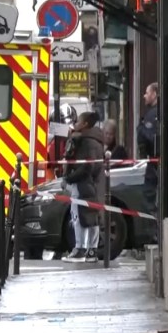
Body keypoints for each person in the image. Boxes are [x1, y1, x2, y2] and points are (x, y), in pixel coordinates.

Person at [62, 111, 105, 263]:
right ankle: (90, 251)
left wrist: (69, 178)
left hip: (84, 185)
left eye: (79, 121)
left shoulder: (87, 142)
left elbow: (87, 166)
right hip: (92, 184)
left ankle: (81, 249)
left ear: (85, 124)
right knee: (91, 217)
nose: (76, 124)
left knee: (79, 217)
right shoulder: (93, 140)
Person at [137, 82, 159, 242]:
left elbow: (150, 137)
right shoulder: (151, 113)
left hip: (155, 163)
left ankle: (155, 234)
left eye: (147, 92)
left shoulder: (153, 114)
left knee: (149, 198)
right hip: (153, 162)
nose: (144, 96)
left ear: (155, 94)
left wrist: (142, 128)